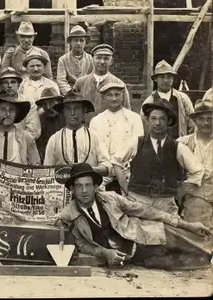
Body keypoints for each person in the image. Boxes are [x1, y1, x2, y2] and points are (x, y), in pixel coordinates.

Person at [58, 163, 212, 270]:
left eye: (88, 185)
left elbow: (145, 211)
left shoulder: (111, 198)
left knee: (203, 250)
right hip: (140, 258)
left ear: (95, 186)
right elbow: (82, 245)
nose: (84, 190)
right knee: (197, 262)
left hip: (150, 234)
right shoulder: (69, 216)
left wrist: (187, 225)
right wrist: (105, 253)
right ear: (72, 188)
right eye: (79, 186)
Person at [113, 99, 204, 215]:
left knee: (166, 232)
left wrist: (181, 191)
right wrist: (124, 185)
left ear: (169, 121)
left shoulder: (177, 147)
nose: (157, 123)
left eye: (162, 119)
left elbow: (198, 171)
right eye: (153, 118)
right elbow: (116, 161)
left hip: (165, 203)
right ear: (147, 120)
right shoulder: (136, 142)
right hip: (138, 200)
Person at [43, 90, 111, 180]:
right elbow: (46, 171)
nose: (72, 113)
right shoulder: (54, 139)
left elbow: (106, 168)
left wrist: (89, 169)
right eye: (68, 109)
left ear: (84, 111)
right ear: (63, 112)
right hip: (62, 189)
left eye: (77, 108)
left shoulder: (95, 137)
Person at [90, 83, 144, 193]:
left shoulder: (134, 118)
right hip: (104, 171)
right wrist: (108, 167)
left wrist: (121, 168)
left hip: (127, 170)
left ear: (123, 97)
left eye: (117, 95)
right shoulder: (96, 121)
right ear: (103, 99)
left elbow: (137, 146)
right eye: (109, 95)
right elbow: (96, 149)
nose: (114, 98)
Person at [72, 44, 131, 125]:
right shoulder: (80, 83)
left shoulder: (119, 85)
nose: (102, 62)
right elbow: (72, 109)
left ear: (111, 61)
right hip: (84, 130)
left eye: (106, 58)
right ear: (93, 59)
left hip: (109, 131)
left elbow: (127, 113)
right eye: (98, 58)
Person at [177, 99, 213, 229]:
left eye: (210, 118)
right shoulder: (184, 143)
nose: (206, 122)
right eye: (201, 119)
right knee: (197, 237)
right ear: (195, 120)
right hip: (194, 197)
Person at [0, 93, 41, 166]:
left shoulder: (26, 138)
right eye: (3, 110)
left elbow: (36, 165)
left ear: (16, 114)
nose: (8, 114)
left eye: (11, 110)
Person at [140, 60, 194, 139]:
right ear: (155, 79)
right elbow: (144, 128)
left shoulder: (183, 99)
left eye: (168, 77)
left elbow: (192, 125)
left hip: (179, 145)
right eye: (162, 77)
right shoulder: (149, 102)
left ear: (173, 79)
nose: (165, 80)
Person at [0, 67, 41, 140]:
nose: (9, 85)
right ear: (0, 86)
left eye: (13, 82)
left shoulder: (28, 102)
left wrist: (16, 142)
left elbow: (34, 130)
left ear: (18, 84)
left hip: (23, 143)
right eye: (5, 82)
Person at [56, 25, 94, 95]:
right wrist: (70, 93)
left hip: (86, 92)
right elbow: (61, 80)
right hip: (69, 93)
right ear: (70, 42)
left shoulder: (90, 59)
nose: (78, 43)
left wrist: (86, 92)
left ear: (85, 42)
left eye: (81, 40)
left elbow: (93, 78)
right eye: (75, 40)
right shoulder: (63, 59)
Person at [35, 88, 65, 162]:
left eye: (51, 103)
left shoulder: (67, 117)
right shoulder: (40, 120)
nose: (48, 107)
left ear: (58, 103)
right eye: (45, 104)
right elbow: (40, 145)